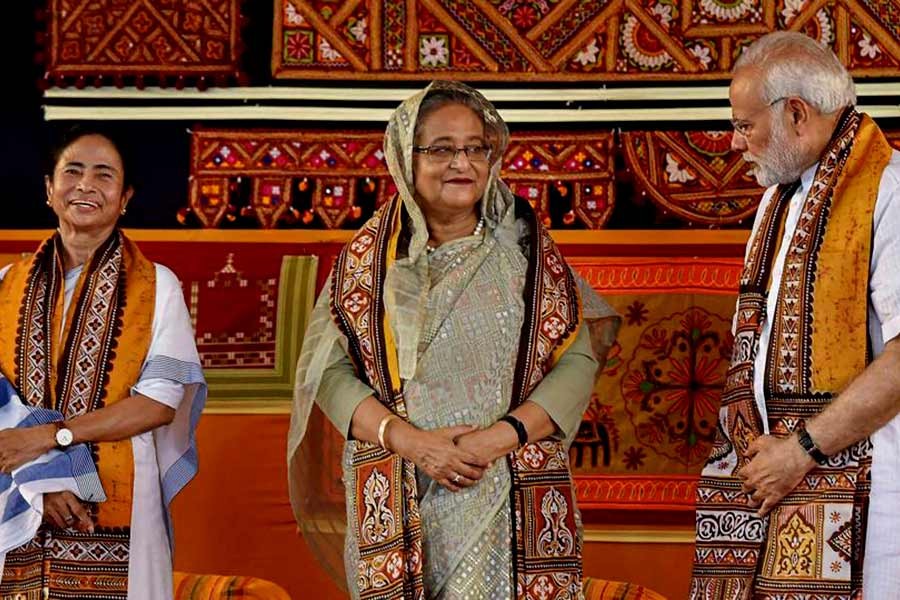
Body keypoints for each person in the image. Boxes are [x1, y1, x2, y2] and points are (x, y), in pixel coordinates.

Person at [288, 81, 620, 599]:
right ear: (405, 158)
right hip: (401, 492)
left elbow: (576, 362)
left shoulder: (527, 254)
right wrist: (412, 442)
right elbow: (328, 376)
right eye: (441, 148)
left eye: (474, 148)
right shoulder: (367, 263)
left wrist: (499, 438)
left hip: (506, 491)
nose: (460, 163)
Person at [691, 31, 900, 598]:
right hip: (776, 487)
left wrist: (804, 447)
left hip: (869, 498)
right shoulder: (780, 196)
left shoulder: (888, 189)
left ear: (798, 114)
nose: (736, 143)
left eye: (744, 124)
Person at [0, 125, 206, 599]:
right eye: (72, 171)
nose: (86, 185)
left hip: (120, 498)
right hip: (20, 495)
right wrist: (43, 481)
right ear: (49, 189)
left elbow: (157, 404)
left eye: (104, 175)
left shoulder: (157, 286)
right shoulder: (7, 285)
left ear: (125, 196)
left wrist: (52, 437)